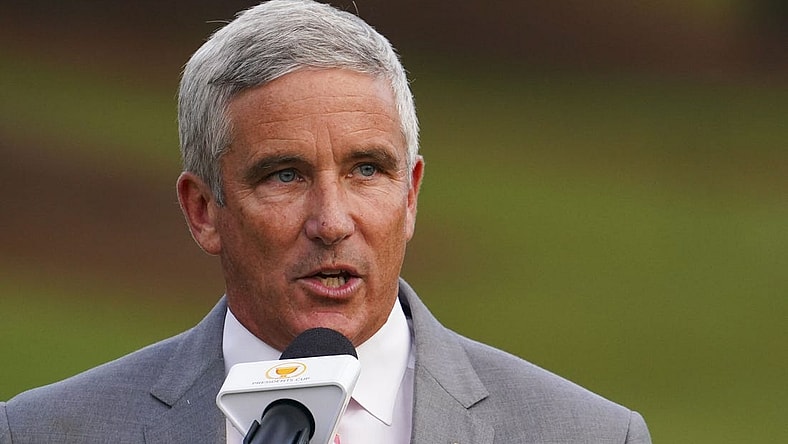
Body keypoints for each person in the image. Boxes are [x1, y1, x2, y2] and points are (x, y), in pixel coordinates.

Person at [0, 1, 651, 442]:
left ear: (412, 194)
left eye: (367, 169)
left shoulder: (587, 434)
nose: (332, 221)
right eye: (284, 175)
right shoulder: (45, 431)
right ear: (204, 210)